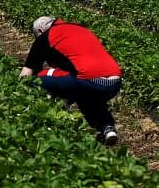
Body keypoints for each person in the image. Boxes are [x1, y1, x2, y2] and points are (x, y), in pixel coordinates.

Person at [21, 16, 123, 146]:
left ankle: (52, 119)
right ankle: (107, 128)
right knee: (84, 94)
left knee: (39, 78)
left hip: (88, 80)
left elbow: (26, 74)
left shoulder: (45, 37)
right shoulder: (81, 29)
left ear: (40, 31)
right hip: (114, 81)